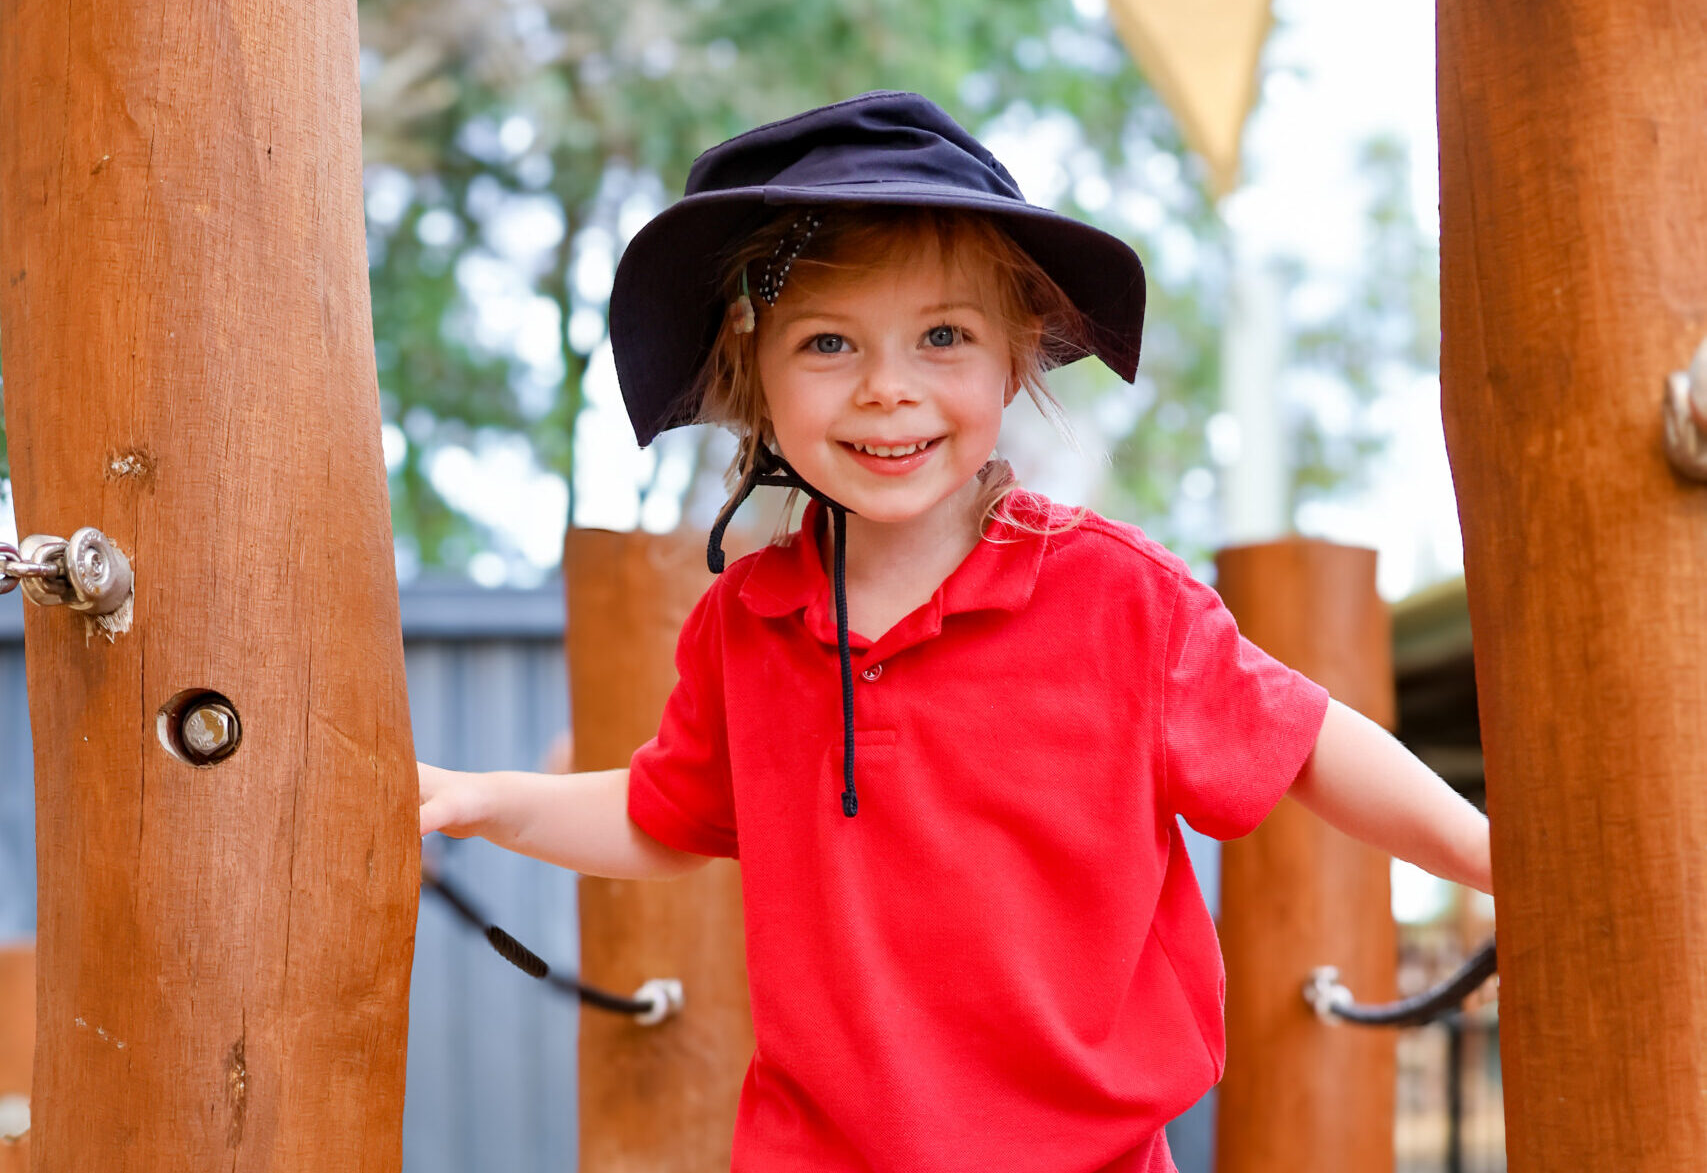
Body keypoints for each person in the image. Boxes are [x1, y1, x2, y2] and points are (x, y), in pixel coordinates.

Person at [416, 91, 1491, 1173]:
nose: (890, 389)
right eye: (830, 342)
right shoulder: (744, 623)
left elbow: (1303, 740)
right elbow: (669, 812)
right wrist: (489, 800)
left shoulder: (1120, 599)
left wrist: (1495, 858)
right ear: (755, 372)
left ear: (1016, 357)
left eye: (943, 336)